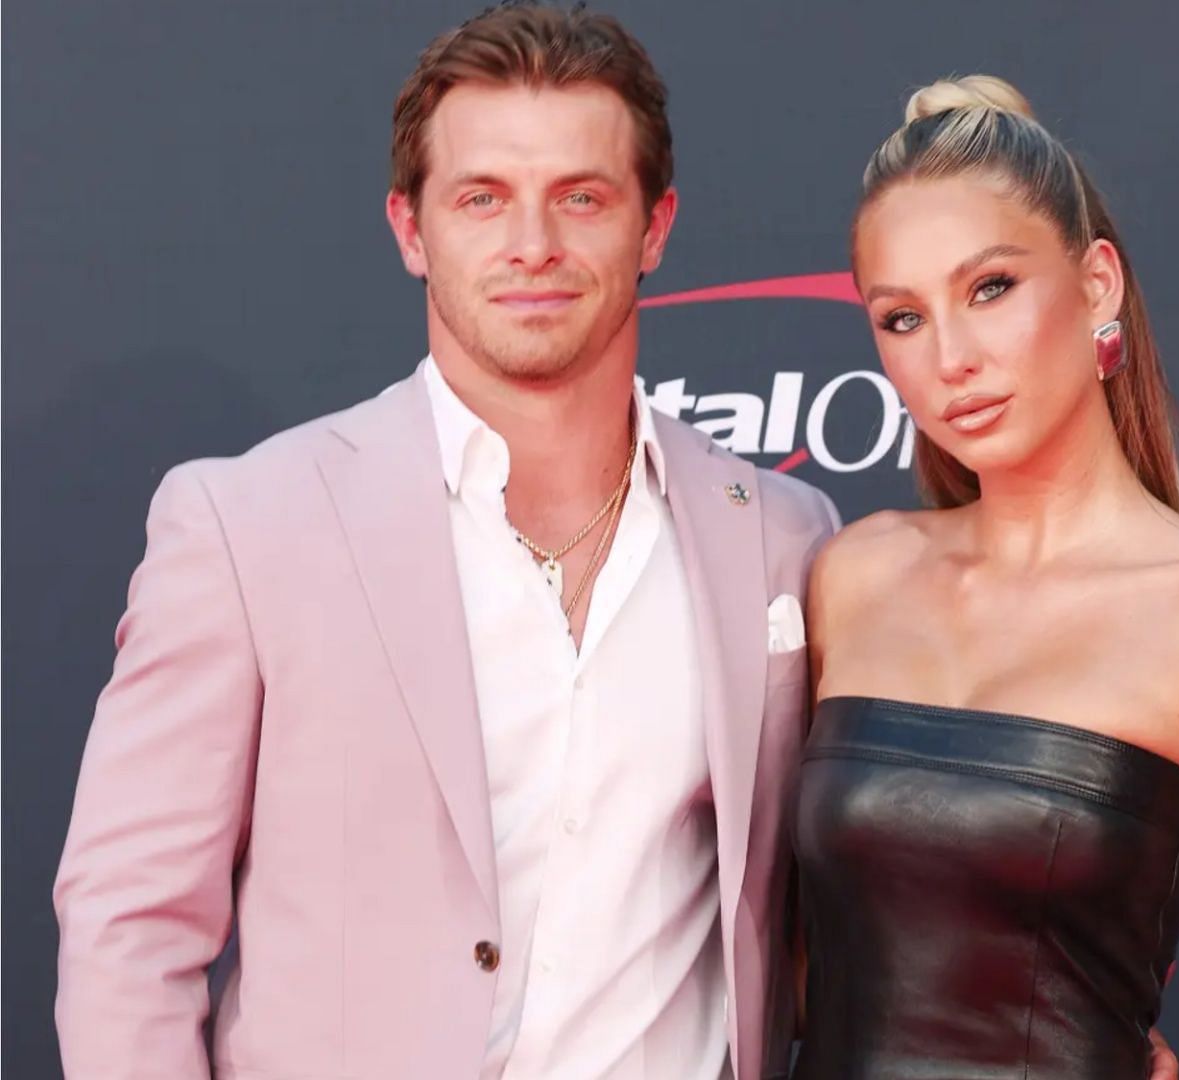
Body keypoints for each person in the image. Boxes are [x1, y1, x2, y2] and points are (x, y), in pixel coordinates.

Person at [52, 6, 840, 1079]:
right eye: (483, 199)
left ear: (654, 228)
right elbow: (128, 929)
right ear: (411, 229)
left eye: (582, 197)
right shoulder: (247, 527)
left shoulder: (785, 538)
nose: (534, 245)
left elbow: (841, 921)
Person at [797, 75, 1179, 1078]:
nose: (951, 357)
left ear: (1098, 283)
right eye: (902, 318)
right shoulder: (851, 576)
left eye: (990, 289)